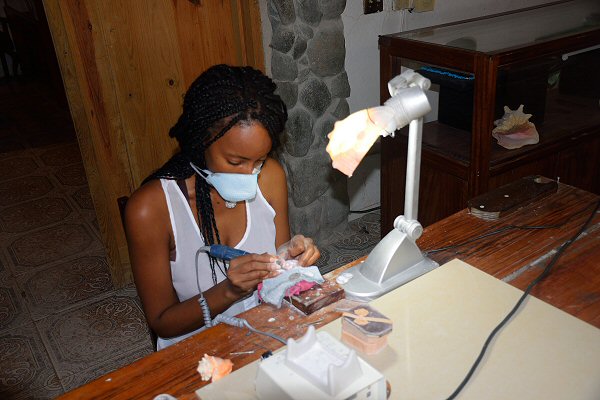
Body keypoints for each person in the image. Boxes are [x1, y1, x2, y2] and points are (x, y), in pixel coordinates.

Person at [124, 64, 320, 350]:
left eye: (259, 160)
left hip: (266, 327)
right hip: (196, 349)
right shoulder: (151, 209)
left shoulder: (271, 176)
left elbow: (279, 260)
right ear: (201, 140)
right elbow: (163, 321)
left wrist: (291, 255)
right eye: (236, 162)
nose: (250, 174)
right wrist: (229, 291)